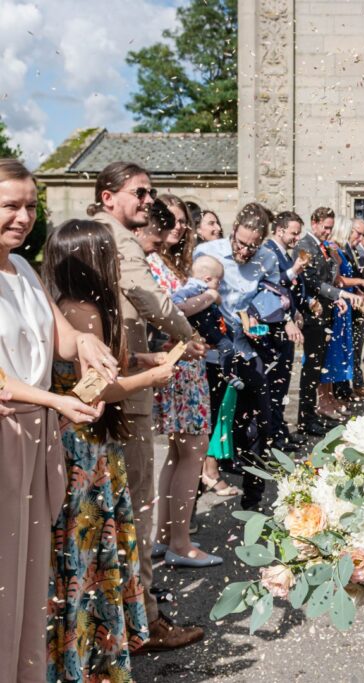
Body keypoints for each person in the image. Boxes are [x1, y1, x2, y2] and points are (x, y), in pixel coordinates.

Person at [42, 219, 178, 682]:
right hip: (84, 449)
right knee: (89, 558)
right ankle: (91, 659)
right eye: (110, 254)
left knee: (89, 556)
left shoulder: (71, 305)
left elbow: (97, 365)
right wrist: (150, 378)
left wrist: (141, 358)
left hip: (85, 445)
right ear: (89, 261)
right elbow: (91, 391)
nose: (118, 262)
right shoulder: (82, 310)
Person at [0, 159, 113, 683]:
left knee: (30, 574)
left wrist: (85, 341)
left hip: (38, 431)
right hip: (7, 432)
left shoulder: (21, 268)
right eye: (10, 206)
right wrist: (52, 402)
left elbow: (60, 336)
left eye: (29, 206)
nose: (22, 217)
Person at [85, 161, 205, 653]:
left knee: (112, 506)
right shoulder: (115, 237)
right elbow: (146, 295)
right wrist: (187, 333)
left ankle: (119, 615)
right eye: (139, 192)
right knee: (134, 507)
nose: (147, 201)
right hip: (122, 387)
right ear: (108, 195)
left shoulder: (92, 232)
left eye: (151, 193)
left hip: (118, 372)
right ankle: (144, 623)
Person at [195, 203, 292, 511]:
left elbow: (276, 297)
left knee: (257, 429)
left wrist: (260, 312)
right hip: (212, 354)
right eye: (241, 243)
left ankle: (252, 504)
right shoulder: (208, 252)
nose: (245, 251)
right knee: (203, 431)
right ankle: (188, 512)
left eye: (253, 246)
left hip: (249, 353)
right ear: (233, 229)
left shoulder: (266, 258)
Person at [147, 194, 221, 568]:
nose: (178, 226)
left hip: (187, 363)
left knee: (179, 453)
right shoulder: (153, 262)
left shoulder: (174, 263)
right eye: (170, 220)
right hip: (177, 364)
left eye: (182, 221)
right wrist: (208, 297)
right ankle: (181, 542)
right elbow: (166, 310)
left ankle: (165, 536)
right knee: (193, 451)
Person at [295, 208, 360, 435]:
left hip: (326, 313)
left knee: (317, 368)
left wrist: (335, 301)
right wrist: (340, 295)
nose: (328, 231)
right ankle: (305, 419)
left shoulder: (322, 247)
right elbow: (312, 282)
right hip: (314, 315)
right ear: (314, 223)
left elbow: (327, 278)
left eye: (331, 228)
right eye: (325, 227)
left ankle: (311, 416)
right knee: (311, 369)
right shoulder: (305, 246)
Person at [263, 210, 309, 450]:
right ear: (279, 230)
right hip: (275, 328)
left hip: (288, 323)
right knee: (275, 383)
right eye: (293, 233)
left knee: (282, 384)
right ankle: (273, 437)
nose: (296, 238)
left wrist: (297, 310)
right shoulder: (269, 252)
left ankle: (280, 431)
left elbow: (288, 291)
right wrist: (294, 271)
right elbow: (270, 285)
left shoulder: (284, 253)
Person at [342, 218, 364, 396]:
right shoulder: (345, 250)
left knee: (358, 346)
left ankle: (355, 383)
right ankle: (350, 386)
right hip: (351, 306)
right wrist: (358, 286)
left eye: (362, 234)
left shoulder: (355, 250)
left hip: (360, 305)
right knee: (353, 348)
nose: (360, 237)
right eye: (357, 233)